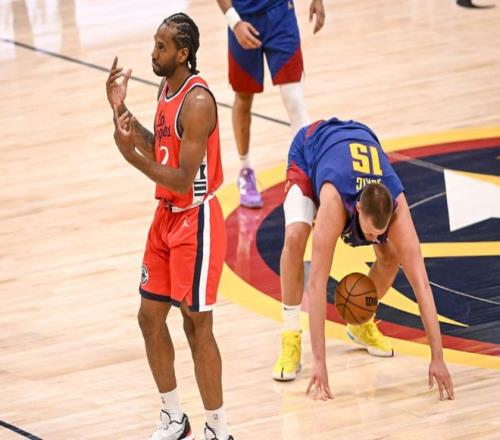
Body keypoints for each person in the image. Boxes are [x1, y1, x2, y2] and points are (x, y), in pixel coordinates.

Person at [106, 13, 233, 440]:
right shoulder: (166, 88)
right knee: (149, 317)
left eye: (162, 47)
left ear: (183, 53)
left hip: (196, 221)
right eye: (154, 44)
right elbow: (157, 144)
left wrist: (131, 158)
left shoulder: (198, 102)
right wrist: (121, 110)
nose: (153, 53)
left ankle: (218, 429)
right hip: (165, 218)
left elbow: (181, 178)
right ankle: (174, 417)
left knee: (197, 325)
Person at [273, 117, 455, 402]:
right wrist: (320, 363)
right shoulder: (334, 202)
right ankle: (290, 334)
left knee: (391, 255)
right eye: (369, 232)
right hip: (311, 150)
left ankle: (360, 321)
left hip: (359, 139)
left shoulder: (397, 206)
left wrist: (438, 357)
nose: (372, 239)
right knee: (296, 237)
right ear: (357, 208)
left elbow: (422, 285)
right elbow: (317, 284)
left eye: (378, 233)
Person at [216, 0, 325, 208]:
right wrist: (234, 22)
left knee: (295, 101)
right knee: (244, 97)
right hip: (243, 18)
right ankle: (245, 171)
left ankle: (306, 178)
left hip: (281, 15)